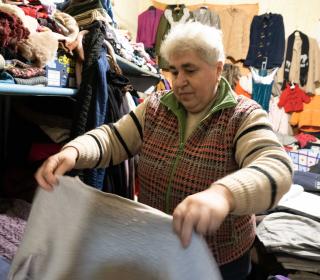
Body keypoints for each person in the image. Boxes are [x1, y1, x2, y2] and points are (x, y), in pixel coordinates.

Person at [35, 22, 293, 280]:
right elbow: (114, 138)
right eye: (173, 71)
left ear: (217, 69)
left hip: (220, 261)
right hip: (158, 249)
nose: (179, 82)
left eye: (190, 70)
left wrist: (223, 195)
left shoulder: (242, 116)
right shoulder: (156, 108)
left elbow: (275, 166)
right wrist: (74, 151)